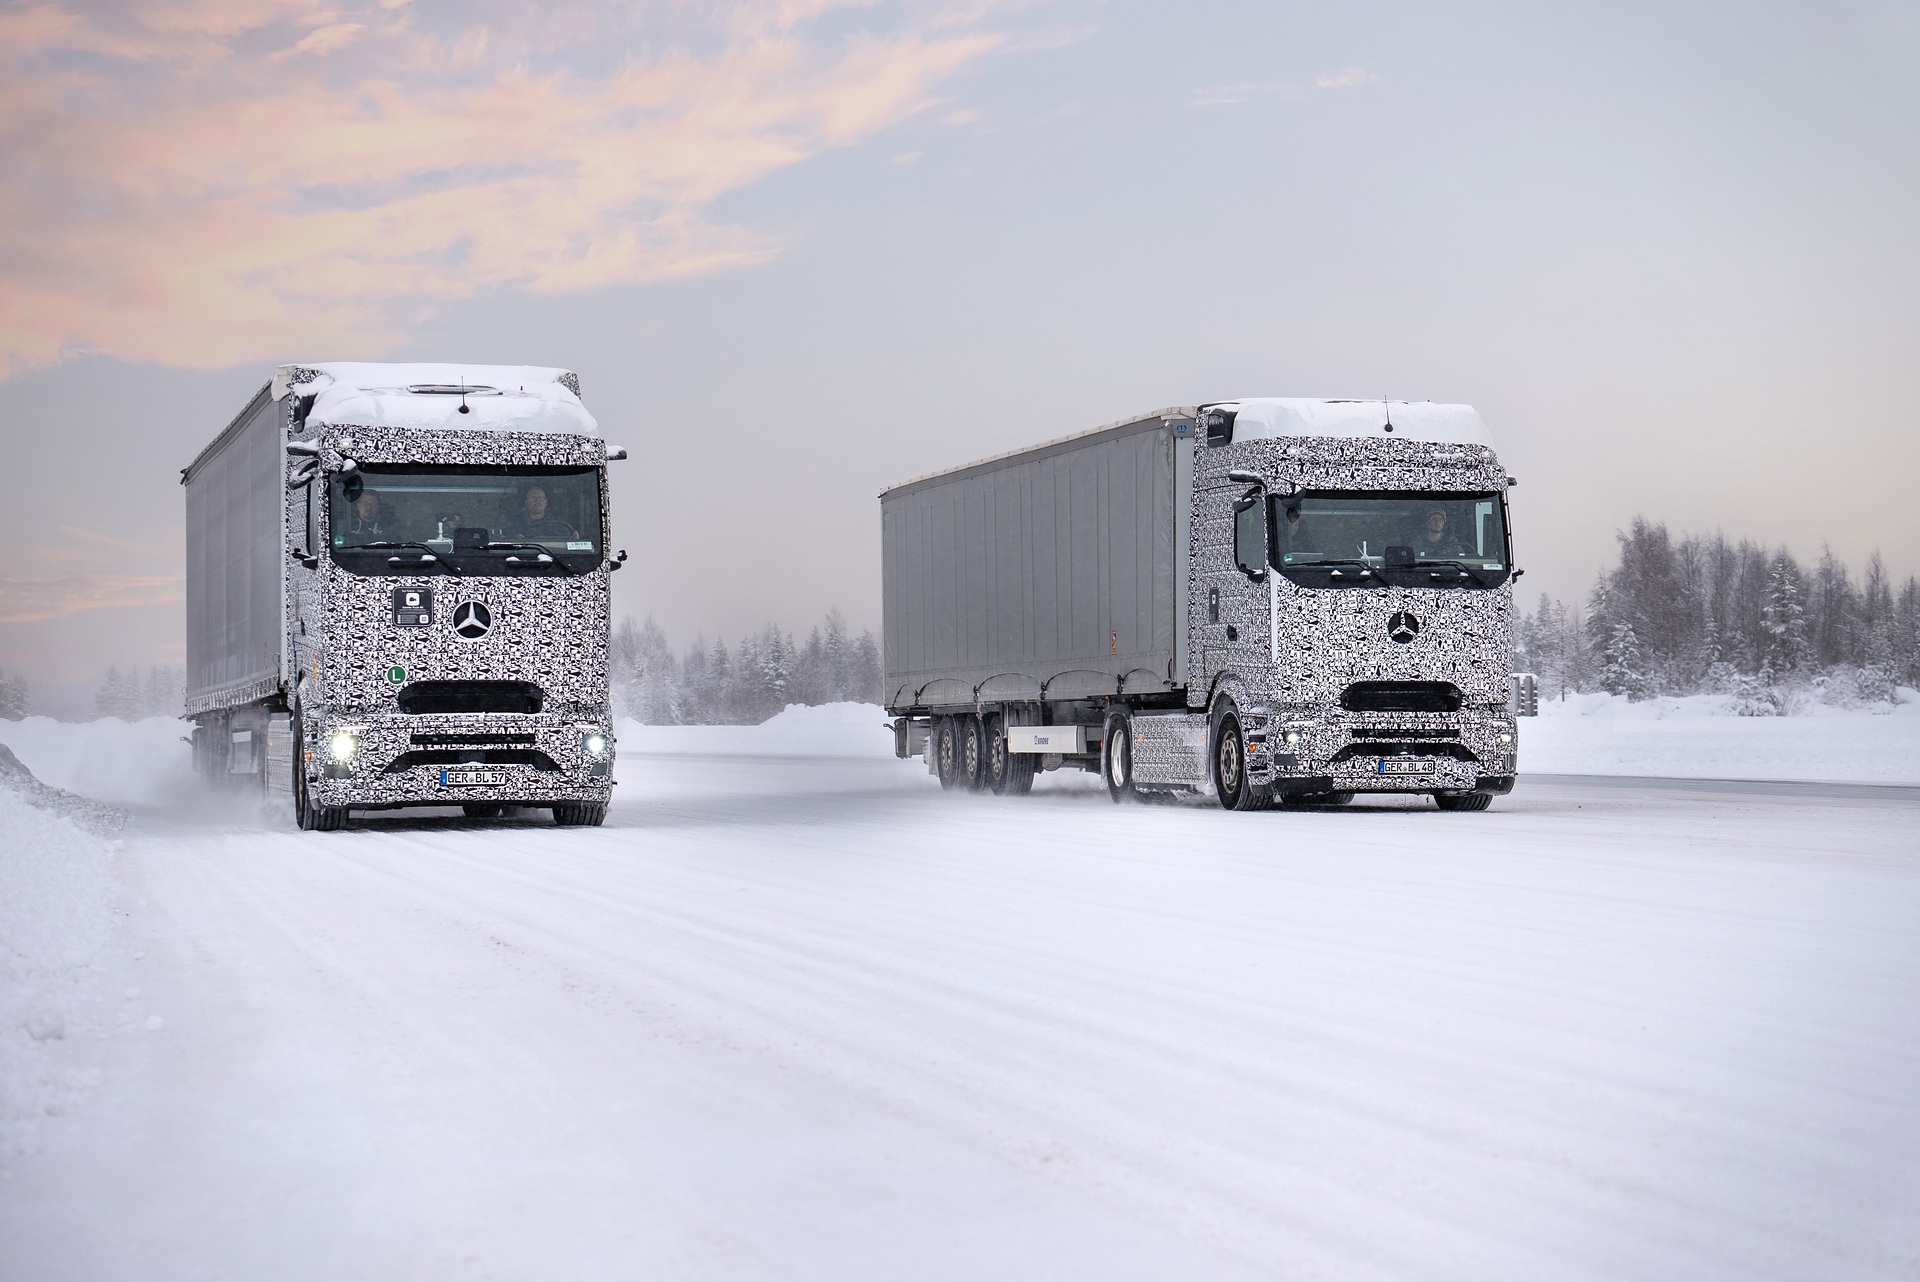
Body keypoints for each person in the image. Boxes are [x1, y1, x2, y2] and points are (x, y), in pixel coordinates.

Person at [509, 485, 577, 541]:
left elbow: (567, 539)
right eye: (532, 498)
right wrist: (516, 539)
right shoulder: (516, 524)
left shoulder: (558, 522)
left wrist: (574, 538)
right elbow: (509, 539)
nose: (537, 501)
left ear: (546, 503)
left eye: (540, 498)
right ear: (526, 503)